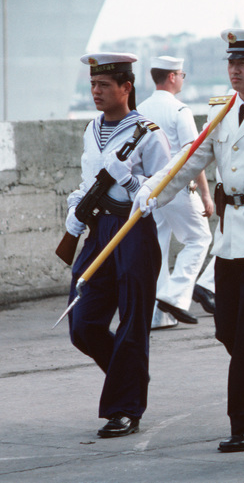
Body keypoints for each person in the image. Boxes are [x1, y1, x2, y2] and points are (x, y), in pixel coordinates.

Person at [135, 30, 244, 453]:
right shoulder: (220, 113)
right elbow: (188, 162)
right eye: (231, 62)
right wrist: (153, 190)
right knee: (229, 330)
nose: (236, 70)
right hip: (231, 239)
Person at [64, 52, 170, 438]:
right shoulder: (91, 128)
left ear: (126, 87)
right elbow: (86, 177)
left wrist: (130, 183)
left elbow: (165, 187)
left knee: (132, 321)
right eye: (93, 85)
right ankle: (132, 376)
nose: (96, 91)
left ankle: (124, 408)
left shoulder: (148, 130)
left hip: (132, 232)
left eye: (104, 85)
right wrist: (75, 208)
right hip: (98, 229)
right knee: (83, 321)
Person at [136, 55, 215, 329]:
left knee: (158, 247)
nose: (182, 79)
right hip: (177, 187)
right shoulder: (180, 110)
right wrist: (206, 194)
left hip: (149, 188)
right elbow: (193, 155)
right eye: (182, 74)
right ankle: (175, 296)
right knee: (199, 238)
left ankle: (158, 316)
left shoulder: (140, 110)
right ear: (172, 76)